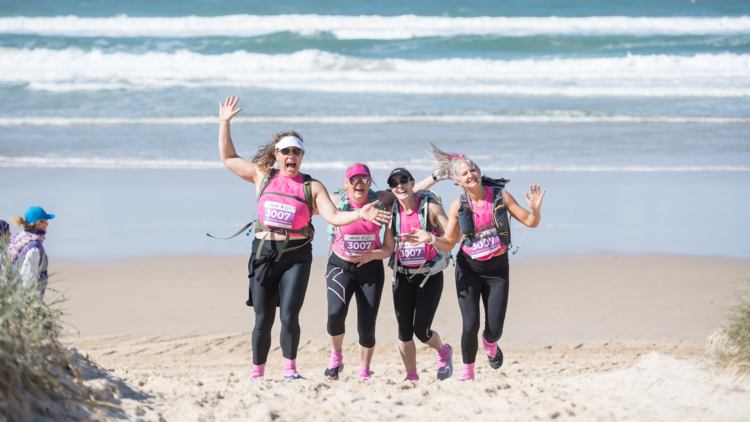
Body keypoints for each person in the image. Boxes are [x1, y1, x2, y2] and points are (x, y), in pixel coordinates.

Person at [216, 96, 391, 380]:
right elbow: (228, 158)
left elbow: (334, 217)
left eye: (296, 152)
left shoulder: (312, 186)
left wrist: (361, 215)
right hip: (263, 253)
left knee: (288, 317)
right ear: (276, 154)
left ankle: (290, 371)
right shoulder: (263, 176)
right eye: (286, 151)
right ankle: (257, 373)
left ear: (302, 156)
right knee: (262, 319)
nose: (291, 156)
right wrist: (224, 123)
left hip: (297, 257)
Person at [404, 145, 546, 381]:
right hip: (468, 269)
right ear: (458, 181)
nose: (470, 175)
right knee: (470, 324)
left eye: (473, 170)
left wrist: (535, 210)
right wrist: (430, 237)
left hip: (497, 270)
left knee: (495, 329)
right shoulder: (457, 206)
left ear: (479, 173)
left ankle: (490, 344)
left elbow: (531, 222)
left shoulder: (500, 196)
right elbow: (449, 242)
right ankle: (467, 372)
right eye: (464, 174)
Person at [323, 163, 445, 381]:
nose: (359, 182)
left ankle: (364, 370)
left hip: (370, 268)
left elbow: (407, 191)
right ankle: (336, 358)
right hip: (341, 264)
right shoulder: (336, 200)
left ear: (370, 181)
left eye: (364, 178)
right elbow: (308, 203)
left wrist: (435, 176)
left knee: (367, 325)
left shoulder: (380, 199)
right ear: (346, 183)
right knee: (335, 313)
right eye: (353, 179)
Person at [386, 167, 454, 381]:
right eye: (394, 183)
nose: (399, 186)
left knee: (422, 332)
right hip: (403, 276)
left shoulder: (430, 206)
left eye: (403, 180)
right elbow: (388, 247)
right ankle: (411, 376)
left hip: (429, 276)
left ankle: (443, 351)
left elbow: (452, 238)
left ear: (412, 182)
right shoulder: (392, 210)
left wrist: (431, 238)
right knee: (404, 332)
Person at [8, 207, 55, 299]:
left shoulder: (19, 241)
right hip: (26, 300)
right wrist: (33, 305)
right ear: (39, 224)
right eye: (46, 221)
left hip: (13, 294)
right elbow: (28, 278)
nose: (47, 224)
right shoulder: (34, 248)